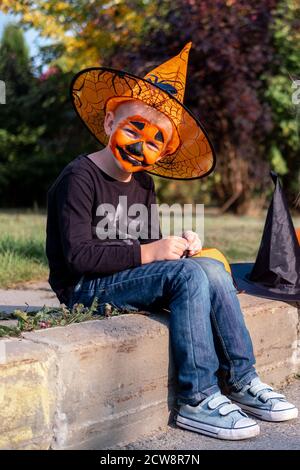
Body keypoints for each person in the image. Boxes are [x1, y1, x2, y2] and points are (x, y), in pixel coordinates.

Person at [46, 44, 298, 440]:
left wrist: (177, 243)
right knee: (187, 278)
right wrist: (152, 253)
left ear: (163, 152)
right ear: (110, 121)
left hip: (125, 276)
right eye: (133, 128)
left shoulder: (143, 181)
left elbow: (149, 243)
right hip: (83, 286)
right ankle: (195, 398)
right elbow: (77, 255)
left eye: (155, 140)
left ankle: (242, 379)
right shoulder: (80, 176)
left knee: (211, 268)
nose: (140, 145)